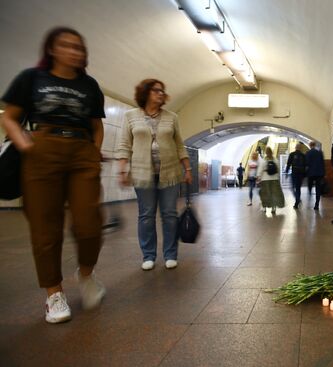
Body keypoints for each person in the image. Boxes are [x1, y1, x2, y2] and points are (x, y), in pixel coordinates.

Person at [0, 27, 106, 323]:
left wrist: (94, 154)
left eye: (79, 47)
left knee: (89, 222)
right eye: (67, 46)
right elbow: (9, 118)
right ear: (51, 49)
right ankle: (53, 294)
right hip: (41, 149)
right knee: (45, 226)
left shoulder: (89, 85)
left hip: (81, 151)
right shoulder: (31, 78)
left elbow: (96, 125)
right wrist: (25, 145)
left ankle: (86, 274)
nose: (74, 51)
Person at [116, 79, 192, 271]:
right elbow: (125, 144)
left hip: (170, 173)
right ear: (145, 93)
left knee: (169, 215)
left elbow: (179, 145)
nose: (161, 94)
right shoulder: (130, 116)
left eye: (162, 91)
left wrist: (188, 169)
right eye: (156, 90)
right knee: (146, 215)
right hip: (142, 174)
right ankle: (148, 255)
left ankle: (170, 254)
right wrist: (122, 168)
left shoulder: (171, 117)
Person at [258, 147, 285, 214]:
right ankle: (274, 208)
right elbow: (278, 169)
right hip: (274, 179)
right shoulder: (275, 160)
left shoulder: (263, 160)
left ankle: (264, 208)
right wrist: (278, 177)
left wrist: (258, 176)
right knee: (274, 194)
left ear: (266, 152)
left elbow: (260, 169)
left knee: (265, 194)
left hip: (265, 179)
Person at [285, 143, 307, 209]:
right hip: (301, 174)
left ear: (295, 147)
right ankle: (297, 200)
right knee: (298, 188)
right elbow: (305, 165)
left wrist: (286, 172)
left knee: (292, 187)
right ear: (300, 148)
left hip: (294, 173)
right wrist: (304, 175)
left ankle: (297, 199)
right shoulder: (303, 155)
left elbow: (288, 163)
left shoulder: (292, 154)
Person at [305, 141, 325, 210]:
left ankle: (310, 196)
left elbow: (306, 163)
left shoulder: (308, 153)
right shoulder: (320, 153)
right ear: (315, 145)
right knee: (318, 188)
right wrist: (323, 173)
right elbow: (323, 163)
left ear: (310, 146)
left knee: (310, 185)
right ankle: (317, 204)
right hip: (319, 173)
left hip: (311, 173)